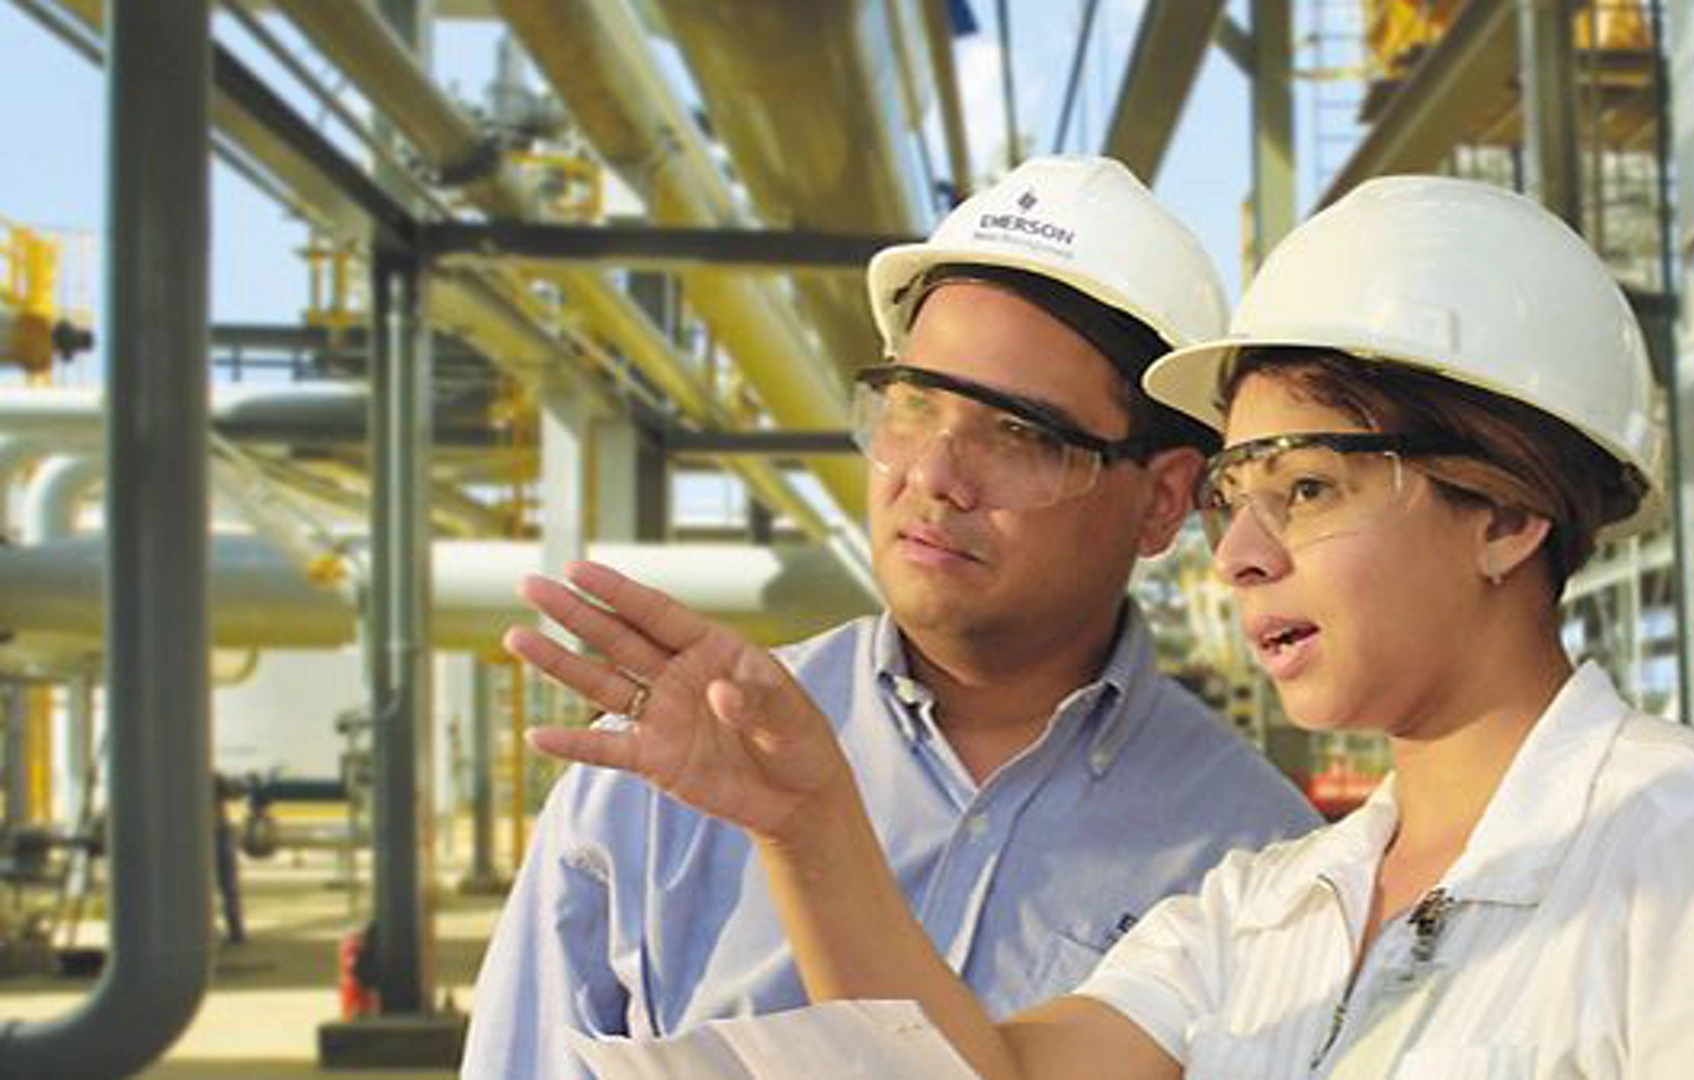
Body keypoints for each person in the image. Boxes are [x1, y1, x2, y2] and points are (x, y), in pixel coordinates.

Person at [513, 175, 1694, 1078]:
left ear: (1509, 517)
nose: (1239, 553)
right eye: (1237, 493)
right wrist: (812, 827)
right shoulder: (1275, 904)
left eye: (1308, 489)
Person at [462, 155, 1321, 1077]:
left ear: (1162, 500)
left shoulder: (1262, 866)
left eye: (1019, 433)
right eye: (912, 407)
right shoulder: (659, 782)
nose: (933, 477)